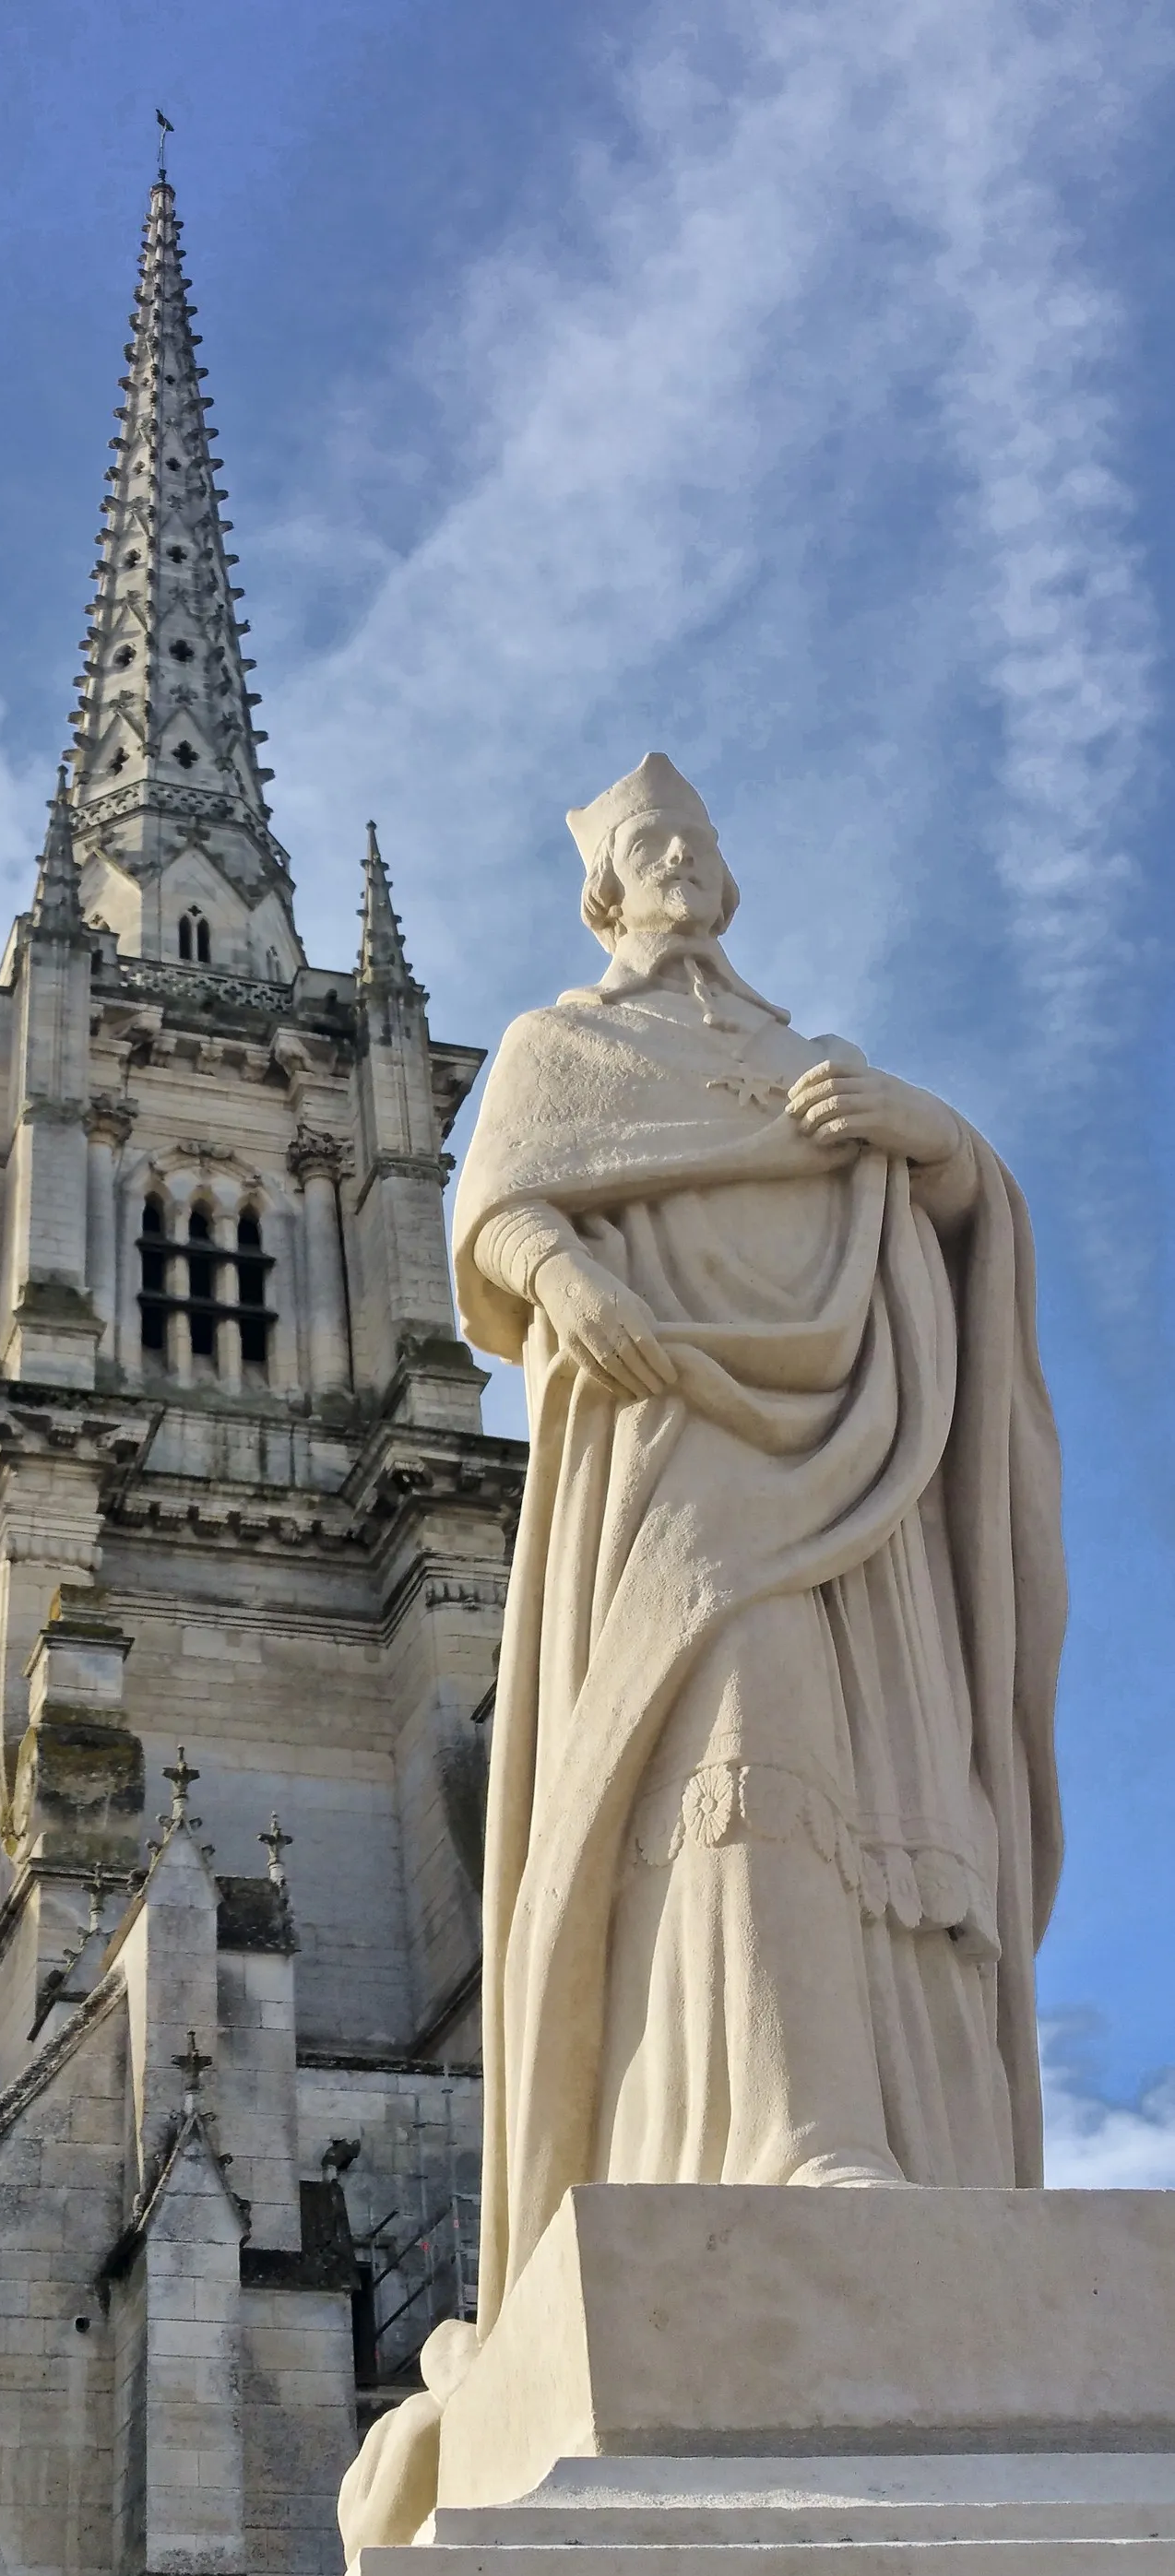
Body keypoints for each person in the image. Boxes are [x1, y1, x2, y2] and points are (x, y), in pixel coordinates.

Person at [452, 751, 1066, 2335]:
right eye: (648, 846)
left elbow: (950, 1212)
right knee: (746, 1739)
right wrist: (556, 1279)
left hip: (863, 1462)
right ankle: (798, 2134)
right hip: (682, 1438)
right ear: (606, 889)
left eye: (694, 844)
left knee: (879, 1783)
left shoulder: (815, 1060)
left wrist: (928, 1132)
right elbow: (499, 1207)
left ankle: (916, 2147)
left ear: (724, 881)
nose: (676, 864)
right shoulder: (561, 1046)